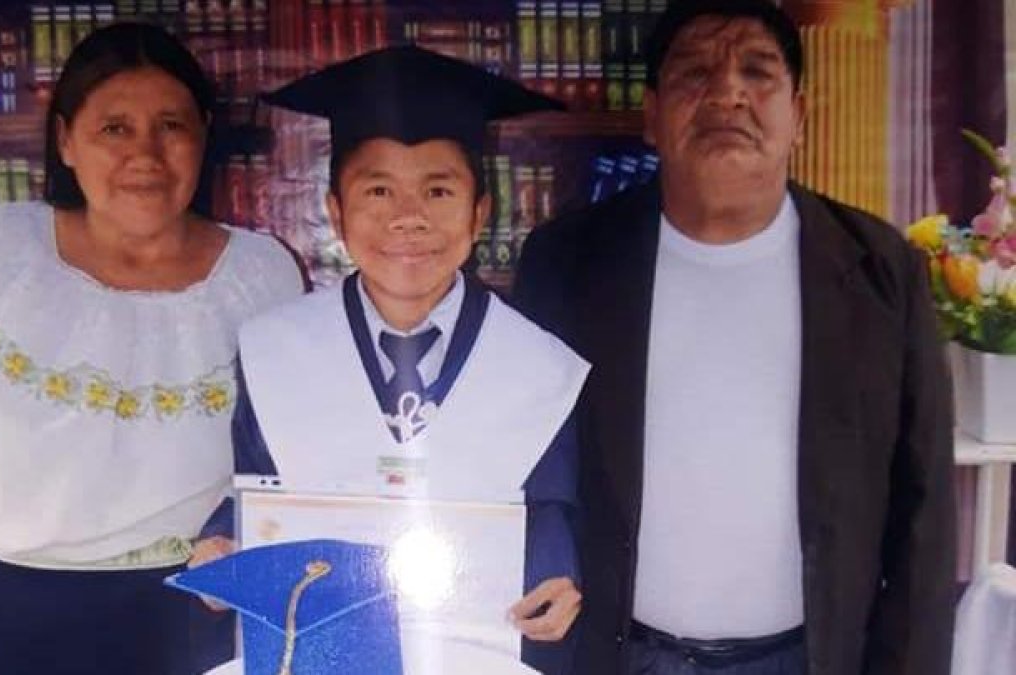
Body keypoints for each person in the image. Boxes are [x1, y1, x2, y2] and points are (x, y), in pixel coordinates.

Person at [0, 22, 302, 675]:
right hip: (1, 617)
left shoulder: (262, 277)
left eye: (171, 125)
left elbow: (286, 455)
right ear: (66, 140)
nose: (146, 154)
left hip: (193, 625)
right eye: (114, 128)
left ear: (204, 135)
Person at [513, 1, 956, 674]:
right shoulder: (567, 262)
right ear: (652, 115)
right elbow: (526, 467)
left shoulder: (880, 270)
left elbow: (923, 514)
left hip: (810, 657)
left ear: (799, 116)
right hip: (618, 655)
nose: (727, 92)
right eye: (695, 72)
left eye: (758, 72)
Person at [192, 45, 589, 675]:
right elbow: (256, 489)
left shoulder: (539, 367)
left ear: (479, 213)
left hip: (470, 656)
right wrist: (219, 549)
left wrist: (556, 579)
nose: (409, 218)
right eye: (379, 190)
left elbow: (549, 510)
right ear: (335, 212)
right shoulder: (276, 350)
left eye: (438, 190)